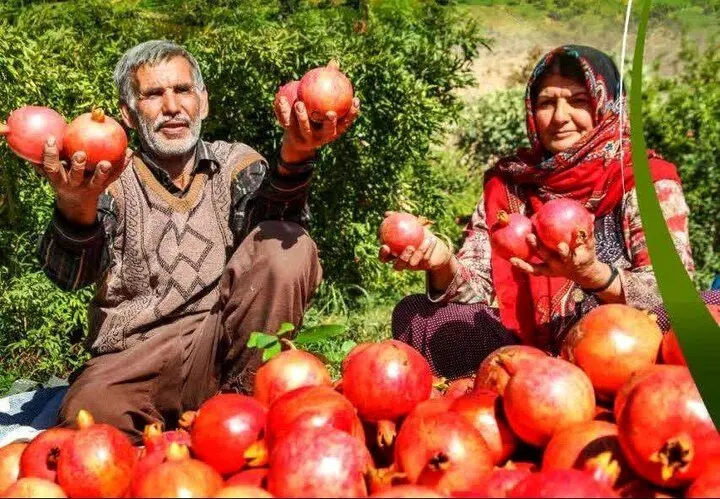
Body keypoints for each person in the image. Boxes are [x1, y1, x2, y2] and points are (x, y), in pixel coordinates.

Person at [35, 40, 359, 442]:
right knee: (89, 414)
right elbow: (69, 275)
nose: (172, 107)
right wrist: (75, 204)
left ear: (203, 102)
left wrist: (295, 153)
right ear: (129, 114)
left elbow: (280, 228)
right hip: (137, 357)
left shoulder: (236, 163)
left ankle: (242, 411)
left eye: (183, 90)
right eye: (153, 95)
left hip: (222, 346)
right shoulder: (107, 176)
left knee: (285, 245)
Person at [381, 45, 719, 380]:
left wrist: (593, 274)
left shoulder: (643, 178)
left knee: (707, 307)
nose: (560, 117)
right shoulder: (510, 185)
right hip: (524, 347)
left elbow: (673, 289)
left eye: (578, 101)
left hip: (622, 345)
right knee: (417, 314)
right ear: (531, 110)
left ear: (606, 105)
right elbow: (475, 291)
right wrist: (443, 264)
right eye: (546, 102)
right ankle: (531, 384)